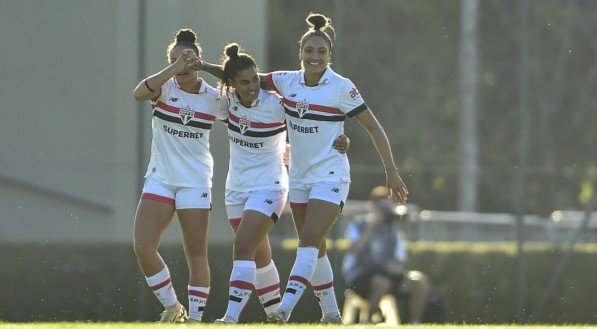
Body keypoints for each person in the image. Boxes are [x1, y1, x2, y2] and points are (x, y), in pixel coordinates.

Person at [200, 12, 408, 323]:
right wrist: (199, 66)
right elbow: (242, 77)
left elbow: (374, 128)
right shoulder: (285, 81)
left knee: (308, 240)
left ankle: (284, 310)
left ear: (329, 56)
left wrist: (390, 169)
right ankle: (331, 314)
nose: (315, 56)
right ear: (301, 54)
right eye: (309, 51)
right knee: (317, 246)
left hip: (332, 176)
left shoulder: (341, 87)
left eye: (321, 51)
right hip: (298, 177)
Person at [211, 43, 350, 324]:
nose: (252, 87)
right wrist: (196, 66)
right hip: (235, 189)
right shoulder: (225, 103)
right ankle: (286, 315)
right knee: (261, 258)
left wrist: (342, 140)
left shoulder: (276, 104)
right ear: (231, 84)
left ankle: (230, 318)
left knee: (243, 246)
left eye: (254, 80)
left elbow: (313, 119)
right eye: (245, 82)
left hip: (271, 187)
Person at [131, 28, 225, 323]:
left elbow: (246, 99)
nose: (180, 66)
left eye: (185, 59)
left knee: (196, 253)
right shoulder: (164, 87)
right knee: (144, 246)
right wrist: (174, 67)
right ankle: (173, 306)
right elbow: (138, 93)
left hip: (195, 182)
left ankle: (195, 319)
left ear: (198, 60)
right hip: (161, 178)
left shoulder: (214, 98)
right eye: (173, 59)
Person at [342, 186, 431, 324]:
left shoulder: (394, 231)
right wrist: (373, 225)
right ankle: (368, 321)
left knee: (419, 281)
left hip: (387, 276)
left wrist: (396, 269)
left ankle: (415, 323)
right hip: (360, 275)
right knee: (382, 283)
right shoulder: (359, 224)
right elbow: (355, 251)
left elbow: (398, 261)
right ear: (372, 206)